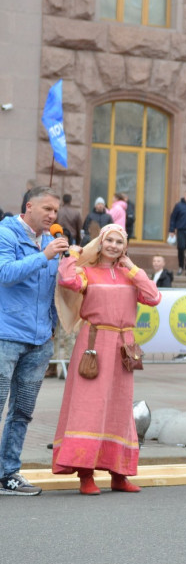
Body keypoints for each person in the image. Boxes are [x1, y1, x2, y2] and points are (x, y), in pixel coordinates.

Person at [53, 223, 160, 495]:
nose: (114, 245)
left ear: (125, 247)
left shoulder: (130, 275)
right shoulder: (87, 272)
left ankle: (119, 475)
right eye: (109, 240)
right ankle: (85, 475)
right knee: (88, 406)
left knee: (120, 408)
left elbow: (154, 297)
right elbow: (67, 281)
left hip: (124, 346)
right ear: (100, 243)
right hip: (94, 343)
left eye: (119, 242)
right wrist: (72, 256)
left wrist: (133, 268)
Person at [0, 186, 68, 496]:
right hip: (7, 335)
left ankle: (8, 473)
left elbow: (58, 286)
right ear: (29, 206)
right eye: (48, 209)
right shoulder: (7, 233)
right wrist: (45, 256)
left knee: (22, 411)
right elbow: (5, 273)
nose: (53, 216)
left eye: (56, 211)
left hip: (40, 340)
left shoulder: (53, 243)